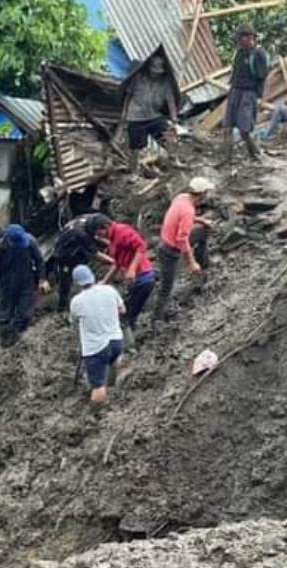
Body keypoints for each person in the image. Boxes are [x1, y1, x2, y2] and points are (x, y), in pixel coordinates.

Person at [88, 215, 156, 350]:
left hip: (143, 278)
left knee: (123, 315)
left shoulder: (122, 231)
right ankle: (131, 340)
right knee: (128, 313)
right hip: (135, 281)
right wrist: (105, 281)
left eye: (98, 233)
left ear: (105, 227)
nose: (98, 237)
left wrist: (132, 268)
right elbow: (117, 263)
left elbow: (141, 246)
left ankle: (130, 348)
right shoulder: (112, 239)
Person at [155, 177, 216, 321]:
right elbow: (181, 239)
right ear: (202, 194)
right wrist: (191, 263)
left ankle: (204, 263)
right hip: (169, 250)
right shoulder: (188, 210)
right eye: (206, 193)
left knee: (202, 232)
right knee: (166, 287)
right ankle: (157, 319)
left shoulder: (182, 198)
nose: (207, 196)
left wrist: (202, 221)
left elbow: (182, 217)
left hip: (168, 240)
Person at [69, 265, 126, 405]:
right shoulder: (109, 290)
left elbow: (74, 321)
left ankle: (96, 415)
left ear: (77, 283)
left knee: (97, 386)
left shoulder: (77, 301)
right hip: (116, 341)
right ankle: (112, 389)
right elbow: (122, 310)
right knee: (114, 362)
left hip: (95, 348)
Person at [0, 224, 47, 345]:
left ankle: (18, 336)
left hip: (26, 280)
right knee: (5, 316)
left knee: (25, 313)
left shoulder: (30, 241)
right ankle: (4, 340)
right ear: (9, 240)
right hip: (7, 284)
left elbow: (39, 261)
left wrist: (42, 279)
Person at [225, 25, 270, 163]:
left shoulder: (259, 54)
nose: (239, 41)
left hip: (248, 94)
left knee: (244, 130)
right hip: (235, 90)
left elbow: (262, 77)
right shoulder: (239, 52)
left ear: (250, 38)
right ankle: (227, 158)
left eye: (241, 38)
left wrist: (258, 97)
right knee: (227, 127)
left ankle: (255, 155)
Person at [125, 54, 179, 153]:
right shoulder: (138, 78)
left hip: (153, 116)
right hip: (135, 116)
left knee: (170, 137)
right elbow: (128, 95)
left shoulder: (165, 82)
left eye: (158, 72)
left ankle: (174, 160)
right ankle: (133, 167)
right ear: (149, 68)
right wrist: (125, 114)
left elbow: (170, 100)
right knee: (135, 148)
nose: (155, 74)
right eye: (154, 71)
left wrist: (174, 118)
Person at [47, 214, 100, 312]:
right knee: (65, 281)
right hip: (64, 256)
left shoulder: (83, 219)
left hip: (73, 248)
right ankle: (62, 307)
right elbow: (96, 253)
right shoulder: (81, 234)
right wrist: (113, 261)